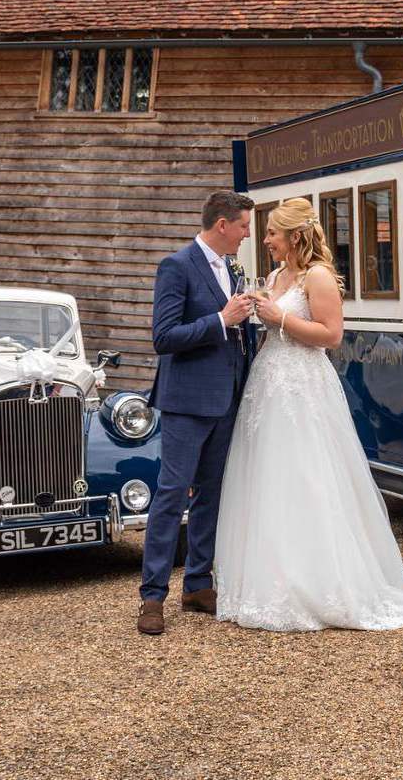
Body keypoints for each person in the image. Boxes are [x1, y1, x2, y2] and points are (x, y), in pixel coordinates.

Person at [214, 198, 403, 631]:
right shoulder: (278, 275)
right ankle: (270, 576)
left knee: (310, 475)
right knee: (267, 477)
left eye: (272, 234)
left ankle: (324, 580)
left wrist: (279, 317)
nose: (265, 240)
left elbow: (331, 336)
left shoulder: (318, 276)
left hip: (304, 384)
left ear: (295, 237)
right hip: (269, 382)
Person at [137, 190, 255, 635]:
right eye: (244, 226)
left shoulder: (234, 268)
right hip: (186, 401)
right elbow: (164, 337)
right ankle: (152, 597)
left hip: (227, 398)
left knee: (212, 495)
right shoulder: (176, 266)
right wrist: (223, 320)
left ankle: (198, 584)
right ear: (221, 224)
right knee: (171, 496)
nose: (247, 235)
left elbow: (237, 336)